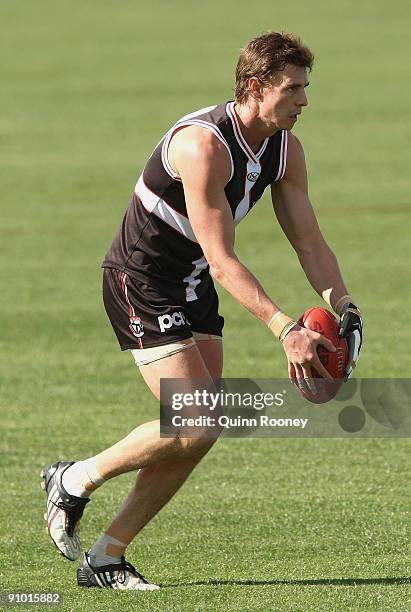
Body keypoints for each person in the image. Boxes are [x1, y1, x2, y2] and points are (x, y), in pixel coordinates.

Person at [41, 31, 363, 590]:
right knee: (199, 418)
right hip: (141, 280)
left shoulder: (285, 149)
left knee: (202, 428)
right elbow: (220, 258)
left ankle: (107, 557)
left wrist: (346, 306)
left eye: (306, 88)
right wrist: (284, 327)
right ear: (254, 86)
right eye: (291, 89)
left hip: (190, 284)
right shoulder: (203, 145)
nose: (304, 100)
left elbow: (309, 241)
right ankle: (74, 478)